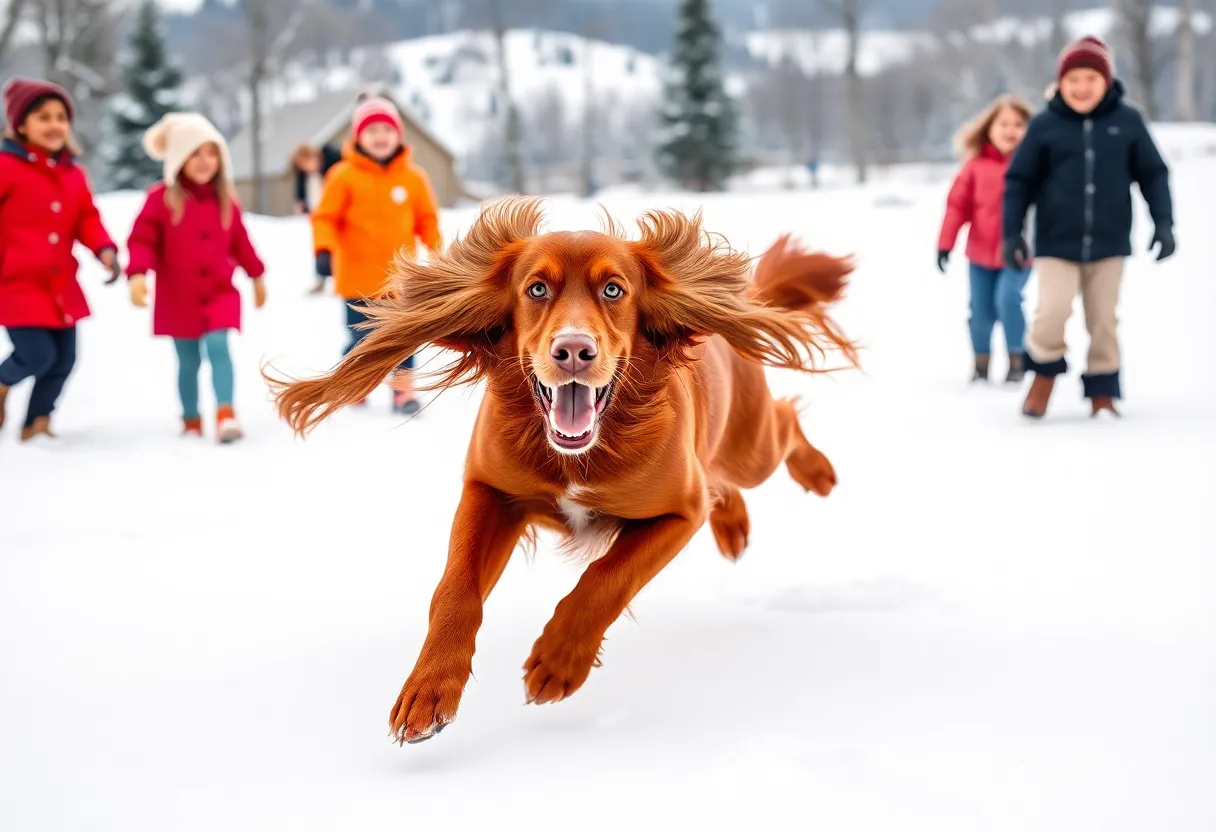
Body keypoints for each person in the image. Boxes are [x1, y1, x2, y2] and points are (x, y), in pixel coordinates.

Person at [1004, 35, 1174, 419]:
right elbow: (1019, 182)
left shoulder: (1127, 121)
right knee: (1051, 312)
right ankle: (1043, 375)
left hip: (1109, 242)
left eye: (1090, 79)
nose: (1081, 88)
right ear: (1061, 82)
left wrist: (1163, 222)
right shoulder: (1046, 124)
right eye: (1073, 79)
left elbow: (1153, 174)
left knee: (1103, 319)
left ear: (1107, 81)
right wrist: (1012, 232)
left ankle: (1103, 391)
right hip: (1055, 242)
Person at [125, 112, 268, 443]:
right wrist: (137, 274)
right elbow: (142, 239)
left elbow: (240, 242)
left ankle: (225, 412)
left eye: (211, 152)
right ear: (177, 158)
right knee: (187, 360)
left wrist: (257, 275)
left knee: (219, 345)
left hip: (220, 292)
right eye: (195, 153)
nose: (205, 161)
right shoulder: (160, 199)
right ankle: (190, 418)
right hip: (179, 296)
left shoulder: (225, 201)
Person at [0, 77, 120, 442]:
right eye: (43, 117)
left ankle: (37, 422)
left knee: (64, 360)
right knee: (36, 355)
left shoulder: (73, 173)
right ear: (21, 124)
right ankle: (3, 382)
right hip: (16, 284)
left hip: (61, 284)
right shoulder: (6, 167)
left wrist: (104, 249)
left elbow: (86, 217)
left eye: (61, 117)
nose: (55, 125)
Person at [311, 95, 442, 416]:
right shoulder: (343, 176)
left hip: (401, 281)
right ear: (358, 137)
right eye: (372, 131)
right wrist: (323, 250)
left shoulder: (413, 178)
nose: (380, 136)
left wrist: (438, 254)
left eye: (387, 129)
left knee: (403, 339)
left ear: (398, 134)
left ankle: (403, 391)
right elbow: (325, 217)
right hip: (356, 280)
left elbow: (427, 219)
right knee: (362, 341)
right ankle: (355, 383)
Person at [937, 93, 1034, 384]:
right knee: (980, 310)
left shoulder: (1033, 165)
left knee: (1008, 300)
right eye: (1004, 124)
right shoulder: (974, 167)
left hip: (1019, 252)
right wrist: (945, 244)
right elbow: (956, 207)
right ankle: (981, 364)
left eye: (1018, 124)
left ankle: (1017, 360)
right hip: (979, 254)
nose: (1010, 130)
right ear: (989, 127)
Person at [292, 142, 343, 295]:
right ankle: (320, 279)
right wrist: (300, 201)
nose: (305, 169)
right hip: (319, 215)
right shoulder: (304, 173)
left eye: (306, 164)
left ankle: (340, 278)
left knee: (338, 247)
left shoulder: (333, 162)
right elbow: (300, 186)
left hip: (337, 214)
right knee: (320, 247)